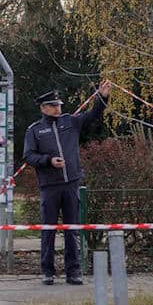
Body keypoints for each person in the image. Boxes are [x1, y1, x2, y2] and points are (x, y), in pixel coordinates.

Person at [23, 81, 111, 285]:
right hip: (49, 186)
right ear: (43, 108)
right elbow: (28, 156)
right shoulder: (34, 130)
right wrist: (48, 161)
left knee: (72, 230)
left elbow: (93, 115)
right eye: (53, 105)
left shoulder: (70, 122)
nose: (58, 108)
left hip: (71, 183)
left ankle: (74, 272)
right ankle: (47, 271)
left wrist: (102, 97)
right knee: (48, 230)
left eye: (59, 105)